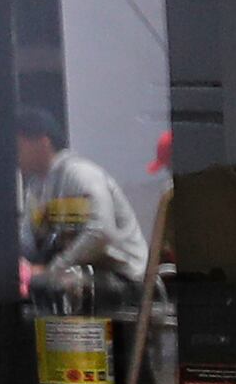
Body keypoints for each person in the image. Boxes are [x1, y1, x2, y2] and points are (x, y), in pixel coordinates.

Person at [12, 107, 146, 300]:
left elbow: (100, 232)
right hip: (80, 273)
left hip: (120, 277)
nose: (15, 156)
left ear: (43, 142)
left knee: (53, 284)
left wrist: (53, 269)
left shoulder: (80, 174)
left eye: (19, 147)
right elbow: (28, 242)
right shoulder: (35, 188)